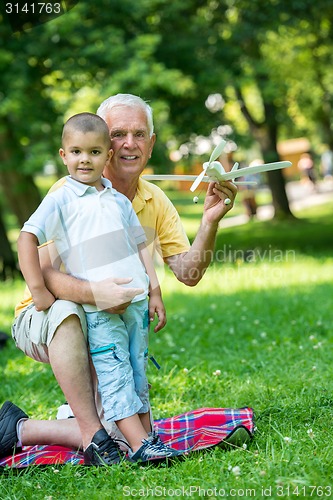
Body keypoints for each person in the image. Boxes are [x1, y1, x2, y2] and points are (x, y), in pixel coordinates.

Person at [0, 94, 237, 466]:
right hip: (49, 319)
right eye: (118, 133)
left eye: (139, 134)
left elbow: (188, 274)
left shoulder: (147, 201)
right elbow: (44, 273)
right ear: (103, 142)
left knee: (129, 432)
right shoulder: (68, 194)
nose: (129, 143)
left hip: (111, 319)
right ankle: (87, 432)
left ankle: (21, 429)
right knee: (68, 311)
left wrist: (209, 223)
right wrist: (96, 294)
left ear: (151, 143)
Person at [16, 112, 180, 463]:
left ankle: (147, 436)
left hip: (134, 303)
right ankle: (138, 446)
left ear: (107, 156)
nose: (84, 160)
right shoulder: (62, 199)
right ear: (63, 155)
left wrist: (154, 291)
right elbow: (26, 238)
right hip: (96, 308)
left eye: (93, 152)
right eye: (75, 152)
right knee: (114, 367)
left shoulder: (118, 201)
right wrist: (39, 290)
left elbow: (140, 246)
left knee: (137, 365)